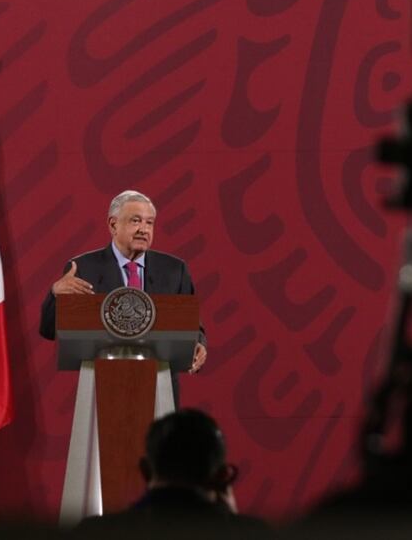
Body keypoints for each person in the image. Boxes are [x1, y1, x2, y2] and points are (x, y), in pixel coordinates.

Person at [39, 190, 207, 379]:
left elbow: (191, 324)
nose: (144, 229)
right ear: (113, 225)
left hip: (159, 382)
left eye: (149, 222)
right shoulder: (83, 268)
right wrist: (55, 294)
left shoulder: (175, 270)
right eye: (135, 221)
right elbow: (49, 330)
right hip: (102, 382)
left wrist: (198, 343)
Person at [76, 409, 266, 531]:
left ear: (146, 471)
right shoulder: (254, 534)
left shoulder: (94, 532)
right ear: (222, 477)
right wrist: (230, 522)